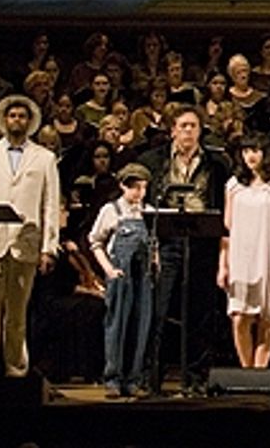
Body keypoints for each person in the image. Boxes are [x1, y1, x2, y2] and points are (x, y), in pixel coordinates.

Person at [0, 94, 60, 376]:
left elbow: (50, 205)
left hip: (25, 242)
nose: (16, 120)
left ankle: (16, 373)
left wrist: (48, 248)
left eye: (22, 116)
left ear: (30, 121)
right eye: (12, 115)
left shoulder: (45, 158)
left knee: (17, 316)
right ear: (4, 119)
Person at [138, 105, 230, 392]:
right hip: (167, 240)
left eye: (193, 125)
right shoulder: (154, 161)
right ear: (172, 130)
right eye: (183, 126)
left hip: (203, 242)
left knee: (200, 311)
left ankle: (196, 375)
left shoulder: (216, 163)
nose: (188, 131)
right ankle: (152, 374)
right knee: (160, 308)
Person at [218, 133, 270, 369]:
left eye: (256, 150)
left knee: (267, 319)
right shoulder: (233, 186)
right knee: (240, 316)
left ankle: (259, 374)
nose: (251, 155)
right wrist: (223, 265)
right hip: (240, 257)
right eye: (247, 150)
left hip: (268, 256)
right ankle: (246, 372)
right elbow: (226, 229)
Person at [88, 162, 155, 398]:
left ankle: (133, 378)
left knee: (140, 325)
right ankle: (113, 377)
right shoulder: (111, 210)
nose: (138, 193)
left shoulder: (149, 211)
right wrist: (108, 269)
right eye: (133, 187)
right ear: (122, 186)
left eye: (142, 187)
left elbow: (154, 243)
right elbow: (96, 242)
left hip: (143, 276)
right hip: (121, 274)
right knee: (117, 324)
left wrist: (154, 261)